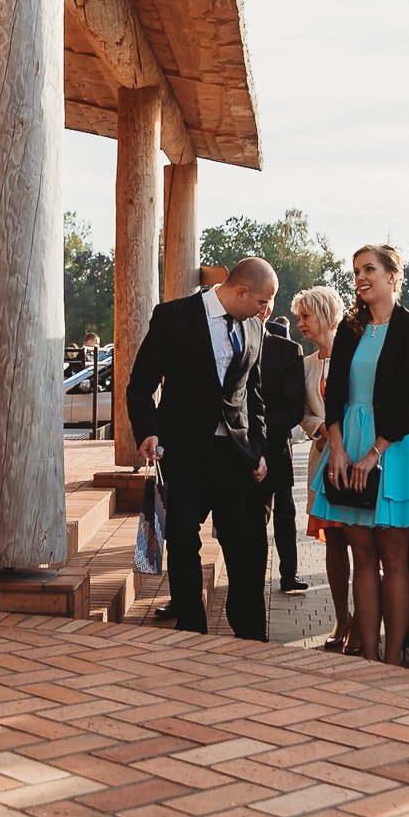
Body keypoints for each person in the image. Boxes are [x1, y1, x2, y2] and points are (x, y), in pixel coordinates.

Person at [126, 256, 277, 640]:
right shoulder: (173, 317)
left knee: (249, 545)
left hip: (236, 457)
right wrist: (148, 432)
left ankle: (250, 632)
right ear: (241, 291)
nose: (266, 309)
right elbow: (141, 384)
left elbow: (254, 397)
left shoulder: (255, 329)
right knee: (182, 540)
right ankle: (190, 628)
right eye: (262, 301)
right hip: (184, 453)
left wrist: (259, 448)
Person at [310, 246, 409, 664]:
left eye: (369, 269)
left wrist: (375, 452)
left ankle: (394, 658)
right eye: (356, 271)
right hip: (347, 444)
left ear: (392, 276)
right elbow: (336, 396)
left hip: (396, 449)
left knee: (395, 559)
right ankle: (367, 651)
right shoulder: (349, 329)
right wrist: (340, 449)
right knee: (361, 555)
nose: (361, 277)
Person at [292, 285, 347, 647]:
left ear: (325, 314)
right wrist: (319, 428)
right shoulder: (306, 365)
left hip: (359, 463)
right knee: (335, 544)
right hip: (322, 463)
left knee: (367, 546)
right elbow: (302, 411)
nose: (300, 324)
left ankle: (371, 620)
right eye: (298, 318)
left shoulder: (356, 355)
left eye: (305, 316)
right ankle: (343, 622)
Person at [258, 301, 310, 595]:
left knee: (285, 512)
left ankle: (289, 573)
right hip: (240, 451)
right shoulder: (229, 346)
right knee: (253, 517)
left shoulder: (288, 350)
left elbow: (293, 408)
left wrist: (257, 430)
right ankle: (251, 574)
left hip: (276, 446)